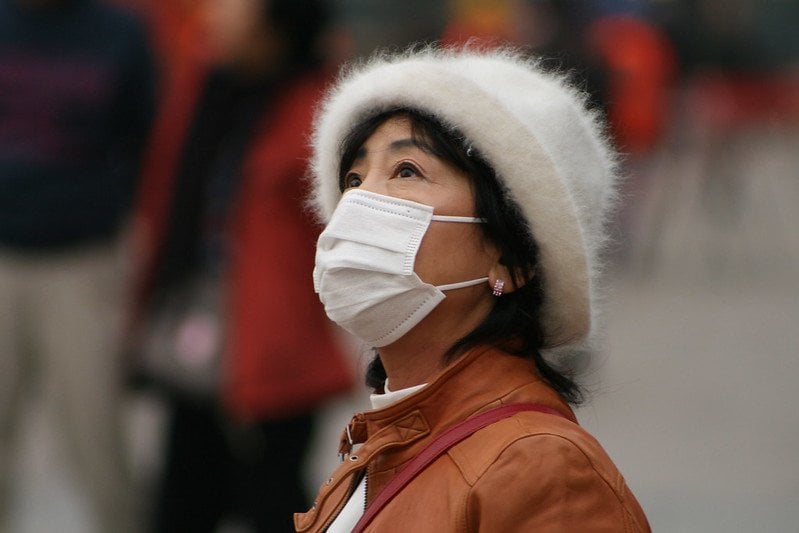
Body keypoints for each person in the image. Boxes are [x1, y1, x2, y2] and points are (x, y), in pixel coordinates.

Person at [295, 47, 651, 531]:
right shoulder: (382, 445)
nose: (359, 202)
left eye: (406, 171)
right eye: (353, 179)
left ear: (512, 259)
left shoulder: (542, 468)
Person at [131, 0, 353, 531]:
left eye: (239, 8)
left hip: (277, 334)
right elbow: (164, 190)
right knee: (184, 488)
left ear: (277, 30)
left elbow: (337, 230)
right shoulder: (204, 86)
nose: (218, 16)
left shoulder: (320, 111)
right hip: (198, 315)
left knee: (275, 492)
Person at [0, 0, 155, 531]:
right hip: (3, 256)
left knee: (95, 435)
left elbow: (145, 137)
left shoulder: (119, 32)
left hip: (82, 260)